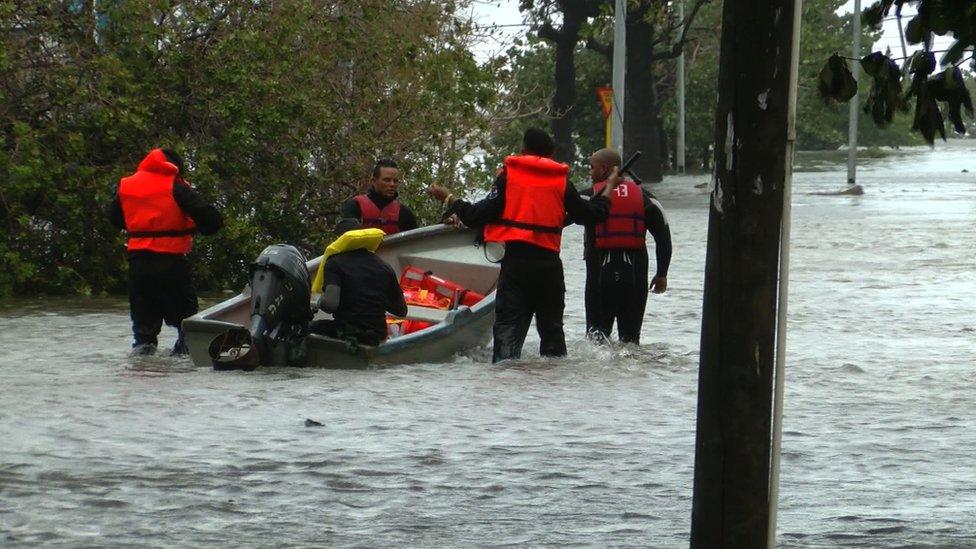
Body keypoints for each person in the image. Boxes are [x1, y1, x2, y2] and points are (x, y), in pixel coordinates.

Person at [428, 128, 621, 362]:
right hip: (549, 268)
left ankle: (509, 387)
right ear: (550, 154)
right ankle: (553, 390)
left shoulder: (508, 178)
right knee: (552, 335)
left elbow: (475, 215)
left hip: (516, 268)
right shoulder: (560, 181)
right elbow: (594, 214)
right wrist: (609, 184)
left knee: (507, 333)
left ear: (523, 150)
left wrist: (449, 198)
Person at [109, 148, 223, 355]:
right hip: (170, 263)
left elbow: (115, 218)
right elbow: (211, 219)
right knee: (187, 324)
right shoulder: (175, 186)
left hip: (138, 265)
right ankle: (183, 363)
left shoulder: (127, 186)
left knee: (144, 334)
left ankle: (144, 364)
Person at [579, 148, 672, 345]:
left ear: (604, 169)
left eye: (592, 167)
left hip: (599, 279)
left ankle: (594, 377)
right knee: (630, 343)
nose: (590, 172)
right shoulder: (647, 199)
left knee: (596, 342)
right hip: (635, 279)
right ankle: (630, 376)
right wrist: (662, 273)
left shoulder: (587, 198)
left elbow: (556, 220)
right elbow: (664, 237)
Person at [309, 218, 408, 346]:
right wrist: (376, 298)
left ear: (339, 239)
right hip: (377, 335)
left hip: (348, 332)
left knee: (306, 328)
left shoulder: (334, 263)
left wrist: (319, 302)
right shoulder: (384, 266)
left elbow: (330, 305)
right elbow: (401, 311)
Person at [340, 159, 418, 234]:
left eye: (395, 181)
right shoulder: (355, 206)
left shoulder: (404, 213)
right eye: (387, 180)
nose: (392, 184)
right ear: (373, 181)